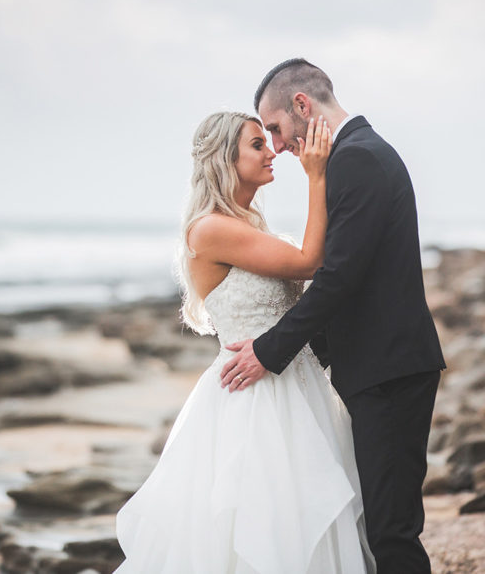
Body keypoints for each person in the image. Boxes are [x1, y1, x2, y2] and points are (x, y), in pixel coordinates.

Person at [114, 110, 374, 573]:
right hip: (253, 400)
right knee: (261, 528)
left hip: (297, 388)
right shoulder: (210, 228)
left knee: (304, 519)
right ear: (224, 158)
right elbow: (311, 261)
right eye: (257, 144)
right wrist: (316, 175)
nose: (272, 150)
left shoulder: (249, 225)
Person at [219, 59, 446, 574]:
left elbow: (337, 277)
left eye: (275, 129)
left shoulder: (357, 159)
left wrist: (270, 352)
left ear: (302, 106)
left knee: (391, 535)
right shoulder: (360, 153)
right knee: (384, 527)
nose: (276, 145)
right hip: (385, 370)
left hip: (389, 374)